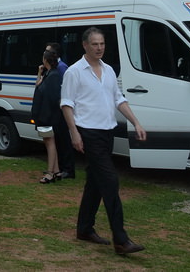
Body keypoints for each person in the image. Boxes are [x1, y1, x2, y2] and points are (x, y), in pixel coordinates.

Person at [62, 27, 147, 255]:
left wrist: (136, 122)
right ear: (85, 45)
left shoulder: (109, 70)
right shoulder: (74, 71)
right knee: (110, 181)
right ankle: (121, 239)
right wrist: (74, 132)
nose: (99, 48)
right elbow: (66, 104)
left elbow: (119, 99)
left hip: (106, 132)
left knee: (95, 182)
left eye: (102, 44)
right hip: (88, 133)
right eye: (94, 44)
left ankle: (84, 229)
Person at [32, 49, 63, 183]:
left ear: (46, 60)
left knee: (50, 142)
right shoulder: (48, 74)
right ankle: (56, 171)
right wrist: (40, 73)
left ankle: (50, 172)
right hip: (44, 115)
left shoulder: (54, 76)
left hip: (47, 115)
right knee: (49, 141)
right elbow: (37, 86)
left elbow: (51, 97)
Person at [46, 41, 75, 179]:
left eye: (48, 51)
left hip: (62, 109)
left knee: (64, 139)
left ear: (55, 54)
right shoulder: (51, 67)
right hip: (55, 109)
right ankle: (59, 167)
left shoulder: (62, 68)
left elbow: (65, 89)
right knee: (57, 138)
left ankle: (68, 169)